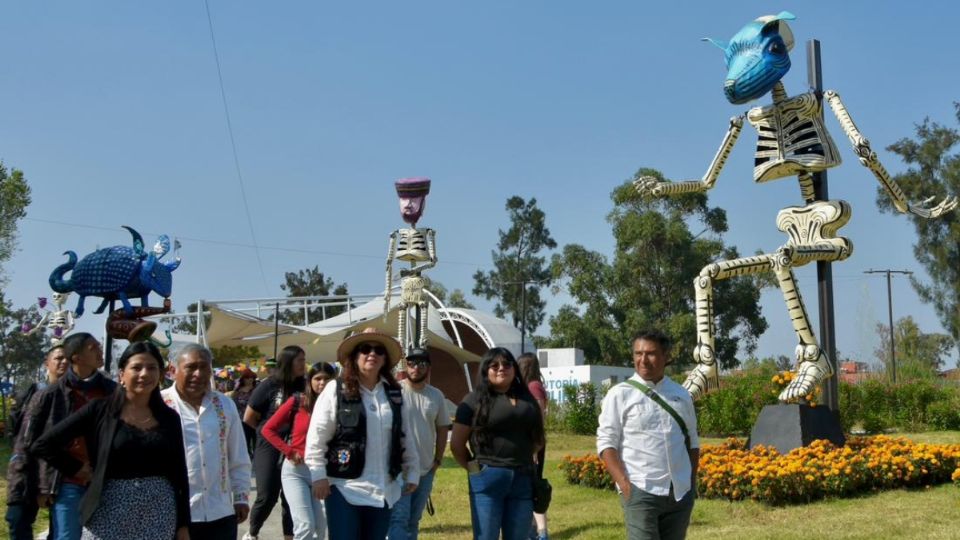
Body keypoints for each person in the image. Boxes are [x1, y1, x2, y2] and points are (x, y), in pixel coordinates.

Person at [30, 341, 191, 540]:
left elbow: (180, 474)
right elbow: (43, 444)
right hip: (108, 511)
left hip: (159, 513)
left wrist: (183, 525)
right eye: (136, 367)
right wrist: (76, 468)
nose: (144, 374)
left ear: (160, 374)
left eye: (152, 368)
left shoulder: (169, 418)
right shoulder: (100, 410)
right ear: (122, 375)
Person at [304, 328, 419, 540]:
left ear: (385, 359)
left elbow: (405, 435)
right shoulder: (334, 389)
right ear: (355, 357)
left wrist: (412, 470)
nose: (372, 354)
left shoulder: (395, 394)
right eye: (365, 349)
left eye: (378, 350)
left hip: (384, 489)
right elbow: (317, 437)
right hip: (344, 487)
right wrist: (318, 476)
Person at [596, 331, 700, 540]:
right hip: (641, 490)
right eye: (638, 353)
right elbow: (606, 444)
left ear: (665, 355)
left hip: (679, 492)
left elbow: (692, 441)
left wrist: (689, 482)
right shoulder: (620, 394)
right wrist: (625, 485)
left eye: (650, 353)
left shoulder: (681, 394)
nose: (643, 360)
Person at [24, 333, 117, 540]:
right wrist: (42, 486)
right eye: (93, 347)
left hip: (105, 482)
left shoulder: (112, 392)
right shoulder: (50, 395)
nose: (100, 349)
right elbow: (31, 443)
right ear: (76, 357)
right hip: (67, 482)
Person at [450, 348, 545, 540]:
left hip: (522, 478)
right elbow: (457, 444)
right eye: (494, 365)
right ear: (486, 370)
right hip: (487, 477)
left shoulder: (527, 399)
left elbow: (538, 438)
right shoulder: (472, 400)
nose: (501, 368)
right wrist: (474, 469)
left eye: (507, 364)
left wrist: (524, 454)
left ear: (514, 369)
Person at [162, 343, 252, 540]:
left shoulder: (224, 404)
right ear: (172, 370)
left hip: (220, 511)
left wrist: (241, 496)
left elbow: (238, 455)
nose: (198, 374)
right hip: (175, 514)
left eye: (204, 367)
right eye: (191, 367)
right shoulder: (160, 406)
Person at [262, 361, 336, 540]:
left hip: (323, 473)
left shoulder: (339, 405)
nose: (322, 383)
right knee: (305, 525)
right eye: (317, 378)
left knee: (321, 527)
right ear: (310, 381)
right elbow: (267, 429)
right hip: (296, 471)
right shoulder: (298, 401)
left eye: (327, 379)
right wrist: (289, 451)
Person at [5, 345, 69, 540]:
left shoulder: (74, 397)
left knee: (59, 528)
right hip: (26, 467)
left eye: (68, 359)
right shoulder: (31, 393)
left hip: (59, 470)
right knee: (16, 520)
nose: (64, 362)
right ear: (46, 363)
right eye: (58, 358)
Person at [387, 348, 451, 540]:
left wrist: (437, 460)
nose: (416, 367)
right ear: (406, 366)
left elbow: (442, 429)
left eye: (421, 363)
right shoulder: (394, 390)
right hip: (400, 468)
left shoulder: (436, 396)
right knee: (399, 518)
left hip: (426, 468)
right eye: (412, 363)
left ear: (429, 368)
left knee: (414, 520)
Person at [243, 346, 306, 540]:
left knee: (290, 498)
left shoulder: (305, 385)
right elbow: (249, 418)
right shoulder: (270, 385)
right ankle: (252, 533)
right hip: (269, 445)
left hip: (294, 446)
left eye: (304, 360)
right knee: (267, 495)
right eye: (300, 360)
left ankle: (289, 536)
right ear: (288, 362)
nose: (304, 364)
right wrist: (268, 435)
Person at [517, 352, 549, 540]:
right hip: (530, 444)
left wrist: (534, 448)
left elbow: (539, 419)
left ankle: (540, 532)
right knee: (529, 487)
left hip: (533, 445)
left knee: (533, 488)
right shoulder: (529, 386)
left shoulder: (534, 387)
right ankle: (534, 530)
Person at [230, 368, 259, 456]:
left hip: (255, 419)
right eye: (247, 377)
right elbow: (233, 405)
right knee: (244, 441)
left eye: (251, 377)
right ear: (243, 379)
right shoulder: (237, 392)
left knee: (256, 441)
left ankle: (256, 458)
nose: (250, 379)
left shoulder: (257, 389)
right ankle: (247, 457)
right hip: (242, 420)